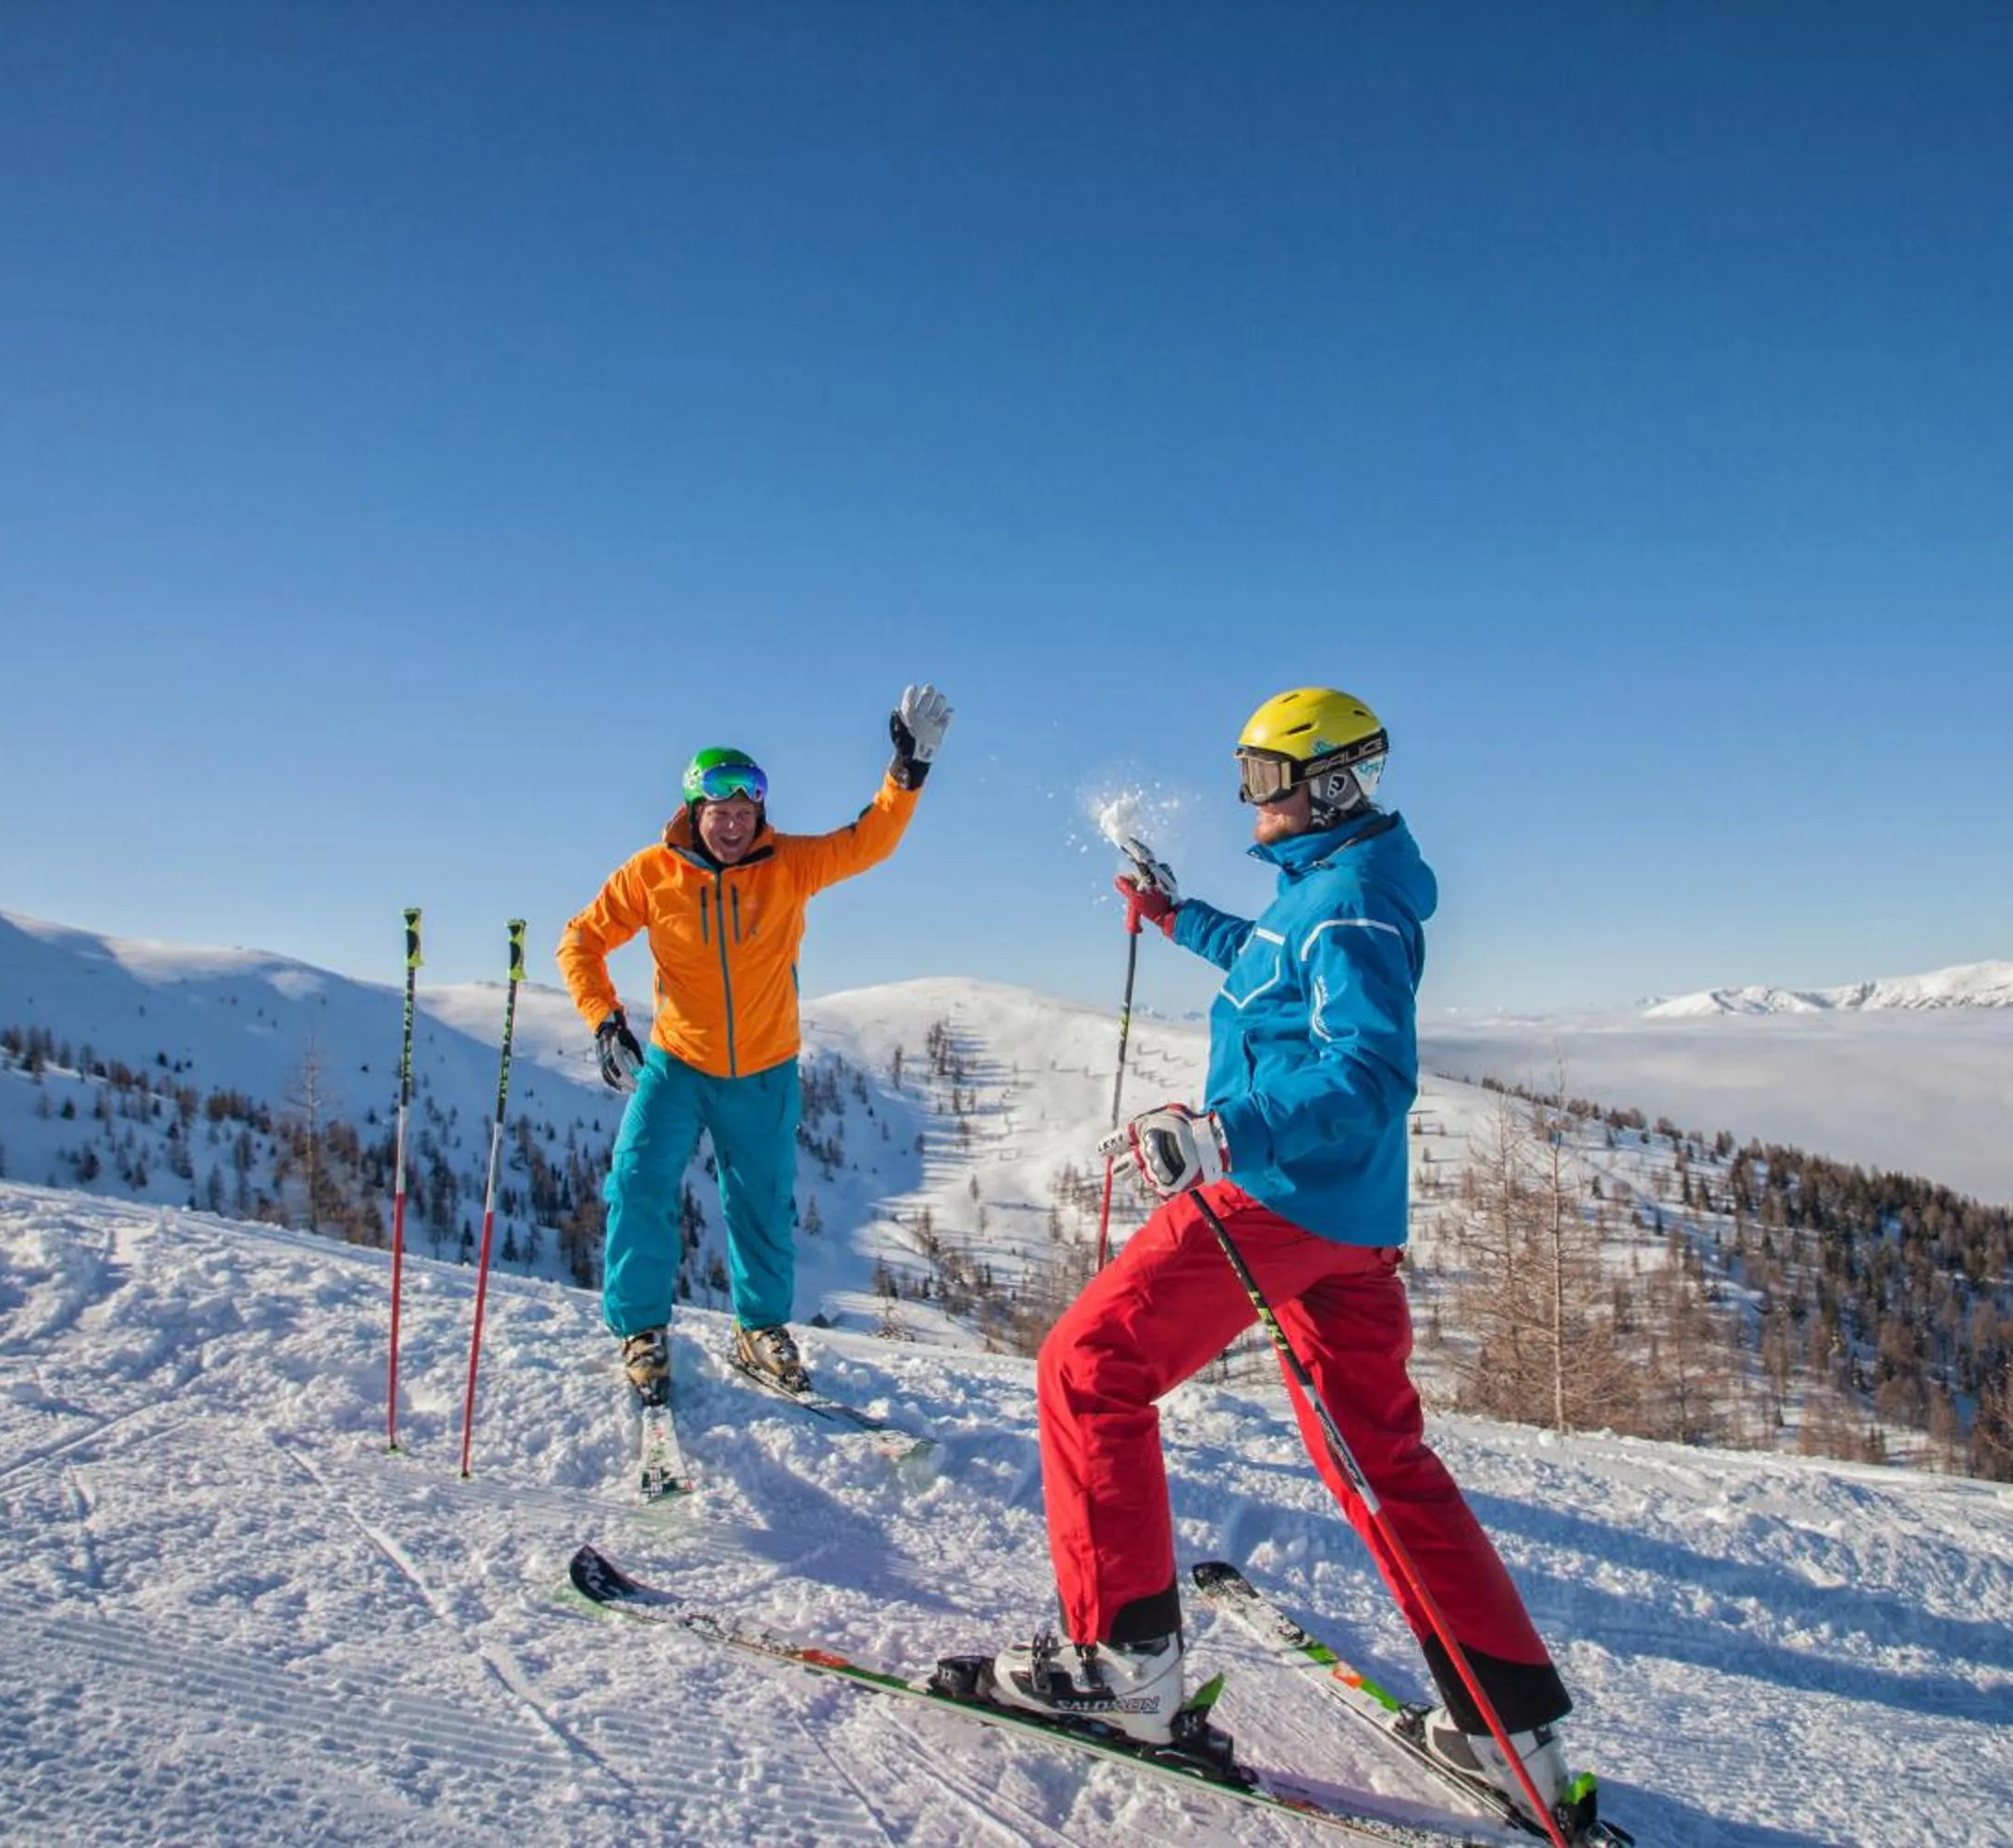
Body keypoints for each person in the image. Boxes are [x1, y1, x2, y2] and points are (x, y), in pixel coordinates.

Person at [983, 687, 1605, 1839]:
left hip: (1270, 1196)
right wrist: (1177, 918)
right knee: (1378, 1457)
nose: (1245, 796)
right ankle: (1508, 1727)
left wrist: (1230, 1135)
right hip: (1344, 1221)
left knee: (1087, 1370)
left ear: (1321, 782)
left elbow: (1369, 1070)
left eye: (1260, 776)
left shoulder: (1356, 903)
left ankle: (1123, 1665)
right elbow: (1271, 958)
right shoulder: (1328, 890)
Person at [557, 683, 952, 1407]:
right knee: (639, 1185)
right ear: (693, 812)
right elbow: (580, 940)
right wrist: (605, 1020)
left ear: (758, 814)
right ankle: (642, 1332)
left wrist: (906, 774)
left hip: (765, 1069)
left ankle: (760, 1329)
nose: (733, 824)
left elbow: (868, 841)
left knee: (761, 1206)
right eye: (720, 811)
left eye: (744, 812)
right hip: (675, 1064)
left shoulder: (789, 865)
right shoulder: (652, 873)